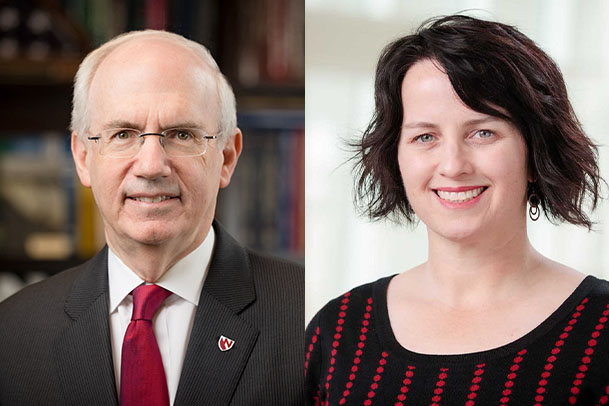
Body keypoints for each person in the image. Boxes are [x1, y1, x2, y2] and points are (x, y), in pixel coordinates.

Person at [305, 15, 608, 406]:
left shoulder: (600, 329)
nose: (453, 165)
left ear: (535, 153)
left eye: (483, 132)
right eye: (425, 136)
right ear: (396, 155)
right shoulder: (341, 329)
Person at [0, 30, 303, 406]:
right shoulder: (11, 333)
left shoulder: (309, 318)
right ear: (82, 157)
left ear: (226, 157)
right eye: (123, 134)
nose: (151, 165)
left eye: (181, 134)